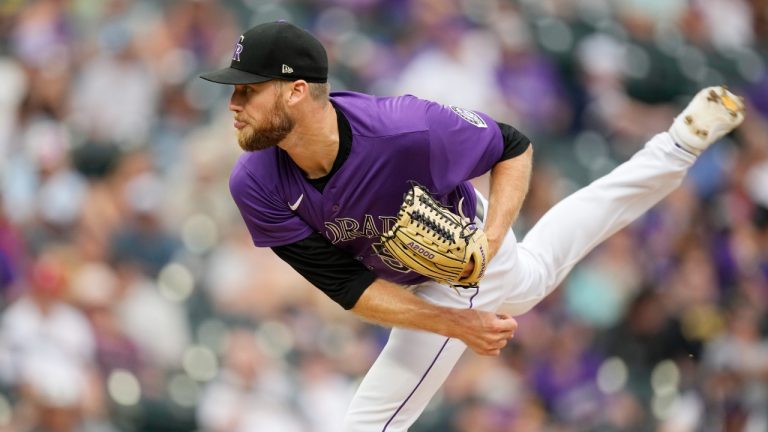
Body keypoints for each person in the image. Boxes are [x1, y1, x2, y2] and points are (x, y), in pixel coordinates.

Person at [200, 21, 745, 432]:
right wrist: (456, 326)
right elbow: (346, 287)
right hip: (417, 280)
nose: (233, 101)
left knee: (369, 423)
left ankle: (672, 148)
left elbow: (513, 146)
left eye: (248, 88)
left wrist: (486, 244)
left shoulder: (404, 130)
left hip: (465, 257)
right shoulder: (255, 183)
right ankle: (674, 147)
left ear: (296, 90)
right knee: (533, 279)